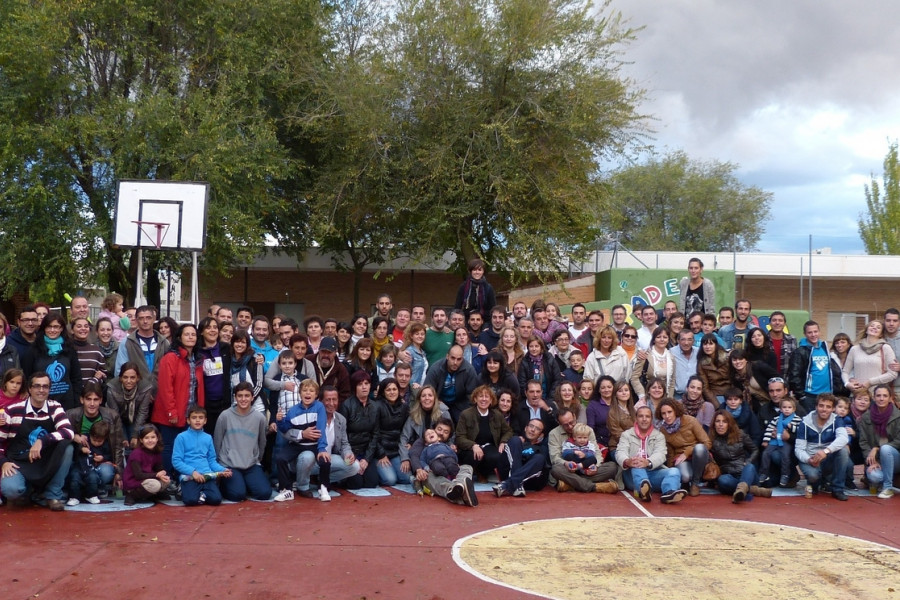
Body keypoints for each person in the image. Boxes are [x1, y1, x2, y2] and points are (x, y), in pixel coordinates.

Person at [0, 372, 75, 511]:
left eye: (45, 386)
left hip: (45, 461)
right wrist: (3, 462)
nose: (41, 390)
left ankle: (53, 495)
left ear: (49, 389)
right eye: (37, 386)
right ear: (29, 388)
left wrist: (42, 441)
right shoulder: (12, 410)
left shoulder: (55, 407)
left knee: (67, 447)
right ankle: (31, 492)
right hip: (19, 462)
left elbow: (69, 432)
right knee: (10, 490)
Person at [150, 323, 205, 480]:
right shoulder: (170, 358)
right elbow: (166, 388)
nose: (190, 337)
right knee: (169, 447)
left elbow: (198, 387)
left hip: (190, 412)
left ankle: (182, 478)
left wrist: (200, 412)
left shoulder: (198, 359)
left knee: (185, 448)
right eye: (186, 334)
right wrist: (171, 412)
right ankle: (168, 479)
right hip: (171, 413)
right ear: (179, 337)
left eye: (193, 334)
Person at [273, 379, 331, 502]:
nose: (307, 393)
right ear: (300, 393)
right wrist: (280, 420)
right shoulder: (293, 411)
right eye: (304, 390)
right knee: (280, 458)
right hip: (298, 444)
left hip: (315, 444)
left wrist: (322, 448)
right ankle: (286, 490)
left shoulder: (319, 407)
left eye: (311, 391)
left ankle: (324, 488)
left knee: (325, 460)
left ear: (316, 395)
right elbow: (285, 429)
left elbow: (321, 428)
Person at [615, 406, 686, 504]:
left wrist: (648, 462)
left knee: (674, 471)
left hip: (652, 472)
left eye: (647, 416)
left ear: (651, 419)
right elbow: (620, 452)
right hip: (632, 475)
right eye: (641, 416)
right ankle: (643, 490)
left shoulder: (659, 436)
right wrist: (627, 461)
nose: (644, 419)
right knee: (637, 464)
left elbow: (661, 454)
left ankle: (669, 493)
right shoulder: (626, 435)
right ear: (636, 418)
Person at [214, 382, 271, 502]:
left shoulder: (259, 418)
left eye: (246, 395)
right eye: (240, 396)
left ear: (252, 397)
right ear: (235, 397)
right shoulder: (225, 416)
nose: (243, 399)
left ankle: (245, 483)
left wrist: (257, 459)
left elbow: (262, 441)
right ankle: (230, 484)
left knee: (265, 493)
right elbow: (217, 441)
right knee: (237, 495)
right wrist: (219, 466)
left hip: (251, 464)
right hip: (230, 464)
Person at [65, 380, 125, 488]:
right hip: (79, 460)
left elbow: (118, 446)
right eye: (88, 399)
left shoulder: (112, 415)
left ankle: (92, 487)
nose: (92, 404)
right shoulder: (71, 415)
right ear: (82, 399)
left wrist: (118, 472)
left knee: (106, 473)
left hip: (102, 461)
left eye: (95, 399)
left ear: (101, 400)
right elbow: (61, 438)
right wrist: (74, 436)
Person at [409, 418, 477, 506]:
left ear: (449, 435)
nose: (441, 433)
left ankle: (460, 486)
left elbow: (454, 458)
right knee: (430, 477)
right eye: (439, 429)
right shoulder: (424, 440)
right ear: (434, 428)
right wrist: (419, 469)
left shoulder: (447, 445)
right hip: (432, 471)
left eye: (446, 432)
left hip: (450, 468)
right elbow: (414, 455)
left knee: (467, 467)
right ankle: (453, 490)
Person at [795, 394, 851, 501]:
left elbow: (844, 438)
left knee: (843, 450)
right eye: (821, 406)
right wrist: (808, 459)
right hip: (810, 458)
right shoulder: (805, 422)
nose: (824, 409)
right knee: (813, 477)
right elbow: (799, 449)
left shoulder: (837, 420)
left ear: (833, 409)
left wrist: (826, 451)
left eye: (828, 407)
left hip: (827, 457)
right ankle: (816, 482)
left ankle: (837, 489)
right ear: (816, 407)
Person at [172, 405, 231, 506]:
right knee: (190, 501)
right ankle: (183, 489)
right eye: (194, 418)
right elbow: (176, 461)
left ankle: (201, 494)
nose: (197, 420)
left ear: (205, 421)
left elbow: (211, 461)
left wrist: (222, 470)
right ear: (188, 420)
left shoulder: (208, 438)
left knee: (216, 500)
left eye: (201, 418)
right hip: (190, 476)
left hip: (207, 475)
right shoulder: (181, 437)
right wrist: (193, 472)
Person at [549, 408, 618, 493]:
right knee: (556, 469)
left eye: (571, 422)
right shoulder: (553, 434)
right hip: (568, 470)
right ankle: (594, 487)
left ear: (574, 416)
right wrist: (566, 463)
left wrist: (595, 466)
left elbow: (596, 452)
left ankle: (571, 484)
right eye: (565, 425)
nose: (570, 426)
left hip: (587, 468)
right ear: (559, 423)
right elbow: (555, 458)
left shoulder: (587, 430)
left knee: (612, 467)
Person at [21, 313, 82, 410]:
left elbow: (76, 378)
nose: (52, 330)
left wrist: (77, 402)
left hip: (67, 404)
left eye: (56, 327)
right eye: (49, 327)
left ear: (62, 328)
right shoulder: (33, 350)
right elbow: (27, 377)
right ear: (44, 328)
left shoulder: (69, 349)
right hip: (40, 404)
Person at [709, 410, 771, 502]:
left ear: (729, 424)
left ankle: (742, 490)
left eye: (724, 421)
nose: (720, 424)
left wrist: (749, 460)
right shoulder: (711, 439)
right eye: (718, 421)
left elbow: (755, 450)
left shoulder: (740, 434)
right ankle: (752, 490)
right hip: (729, 475)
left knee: (750, 467)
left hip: (745, 473)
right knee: (722, 480)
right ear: (714, 424)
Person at [455, 385, 513, 480]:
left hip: (489, 446)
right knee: (473, 456)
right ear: (475, 399)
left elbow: (508, 431)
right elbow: (459, 437)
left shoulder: (497, 415)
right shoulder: (466, 414)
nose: (484, 399)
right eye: (481, 396)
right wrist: (473, 445)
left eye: (487, 397)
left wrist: (503, 441)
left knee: (497, 456)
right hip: (470, 448)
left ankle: (483, 472)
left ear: (491, 400)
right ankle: (471, 473)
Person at [656, 397, 711, 497]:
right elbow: (670, 453)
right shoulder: (663, 430)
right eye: (664, 413)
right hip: (680, 459)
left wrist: (687, 452)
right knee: (685, 476)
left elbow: (707, 443)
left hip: (698, 457)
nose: (667, 416)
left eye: (669, 412)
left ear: (675, 411)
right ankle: (685, 483)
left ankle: (695, 483)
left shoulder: (691, 421)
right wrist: (671, 472)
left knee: (699, 448)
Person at [788, 320, 847, 413]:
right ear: (805, 334)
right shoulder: (800, 351)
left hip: (828, 395)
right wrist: (802, 396)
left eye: (815, 331)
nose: (813, 334)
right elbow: (794, 375)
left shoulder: (825, 348)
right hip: (810, 396)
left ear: (819, 332)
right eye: (809, 332)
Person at [339, 371, 381, 488]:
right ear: (354, 387)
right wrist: (353, 458)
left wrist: (366, 459)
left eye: (367, 383)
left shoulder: (375, 407)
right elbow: (342, 435)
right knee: (355, 484)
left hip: (366, 452)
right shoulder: (346, 405)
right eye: (360, 384)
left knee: (372, 483)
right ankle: (341, 477)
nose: (364, 387)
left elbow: (375, 435)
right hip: (349, 453)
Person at [857, 384, 900, 499]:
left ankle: (887, 487)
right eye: (878, 396)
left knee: (886, 448)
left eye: (885, 396)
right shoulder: (866, 417)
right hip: (877, 460)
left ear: (890, 398)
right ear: (874, 398)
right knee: (875, 477)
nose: (881, 398)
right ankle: (890, 480)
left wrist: (877, 448)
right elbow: (863, 442)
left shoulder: (898, 416)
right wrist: (872, 461)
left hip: (895, 457)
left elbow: (898, 441)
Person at [114, 305, 171, 391]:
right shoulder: (127, 343)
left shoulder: (164, 343)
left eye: (148, 318)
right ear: (137, 320)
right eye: (141, 318)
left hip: (161, 394)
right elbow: (120, 372)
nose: (145, 321)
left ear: (154, 318)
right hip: (136, 395)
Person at [494, 418, 549, 497]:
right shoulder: (516, 442)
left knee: (540, 458)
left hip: (530, 480)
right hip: (509, 473)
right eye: (531, 426)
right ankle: (517, 485)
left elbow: (541, 468)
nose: (533, 430)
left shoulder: (542, 448)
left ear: (541, 435)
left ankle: (507, 485)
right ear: (525, 428)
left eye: (537, 429)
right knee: (515, 440)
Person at [424, 344, 479, 423]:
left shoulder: (469, 370)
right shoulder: (436, 368)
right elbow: (427, 389)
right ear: (447, 356)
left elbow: (472, 395)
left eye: (459, 359)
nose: (455, 362)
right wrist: (436, 401)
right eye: (452, 358)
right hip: (438, 402)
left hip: (460, 403)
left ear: (462, 358)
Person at [66, 419, 115, 506]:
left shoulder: (106, 445)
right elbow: (75, 448)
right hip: (79, 465)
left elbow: (109, 455)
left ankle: (92, 495)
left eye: (99, 441)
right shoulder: (84, 439)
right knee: (75, 478)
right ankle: (74, 497)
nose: (96, 443)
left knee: (93, 478)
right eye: (94, 440)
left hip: (92, 467)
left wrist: (103, 458)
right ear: (90, 435)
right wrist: (81, 449)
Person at [842, 319, 898, 395]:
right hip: (858, 395)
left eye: (878, 327)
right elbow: (845, 371)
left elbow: (892, 374)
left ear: (881, 334)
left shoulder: (886, 348)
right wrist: (847, 384)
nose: (874, 328)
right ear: (866, 330)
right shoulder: (854, 349)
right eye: (872, 326)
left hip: (878, 395)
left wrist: (870, 382)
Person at [106, 362, 155, 447]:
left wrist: (135, 435)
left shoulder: (145, 387)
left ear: (138, 378)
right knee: (120, 442)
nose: (129, 381)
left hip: (136, 419)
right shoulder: (112, 387)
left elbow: (143, 412)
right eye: (125, 377)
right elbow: (114, 414)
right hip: (118, 419)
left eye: (132, 377)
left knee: (135, 443)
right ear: (120, 378)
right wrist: (122, 436)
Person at [373, 378, 411, 486]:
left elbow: (407, 429)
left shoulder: (404, 407)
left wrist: (409, 444)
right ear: (383, 392)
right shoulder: (376, 406)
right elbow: (373, 433)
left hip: (396, 450)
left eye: (394, 389)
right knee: (390, 480)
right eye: (388, 390)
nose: (392, 392)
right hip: (380, 451)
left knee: (406, 478)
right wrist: (381, 454)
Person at [197, 317, 232, 435]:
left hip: (225, 402)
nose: (212, 330)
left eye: (215, 327)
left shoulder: (226, 349)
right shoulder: (197, 352)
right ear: (201, 331)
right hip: (205, 403)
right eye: (208, 328)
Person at [122, 424, 171, 505]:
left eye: (153, 437)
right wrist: (156, 475)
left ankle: (152, 494)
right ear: (141, 440)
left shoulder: (156, 452)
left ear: (157, 438)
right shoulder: (137, 453)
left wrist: (162, 474)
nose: (150, 440)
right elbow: (138, 475)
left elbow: (159, 468)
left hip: (148, 478)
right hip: (134, 482)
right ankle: (131, 495)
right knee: (155, 485)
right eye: (146, 438)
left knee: (167, 481)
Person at [759, 396, 802, 488]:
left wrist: (791, 427)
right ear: (781, 409)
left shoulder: (797, 419)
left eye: (789, 407)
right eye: (784, 407)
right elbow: (769, 429)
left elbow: (800, 430)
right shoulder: (776, 419)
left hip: (786, 442)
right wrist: (766, 440)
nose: (787, 410)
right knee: (766, 453)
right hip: (774, 441)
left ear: (794, 409)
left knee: (785, 456)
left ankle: (785, 475)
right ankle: (763, 473)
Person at [631, 327, 674, 402]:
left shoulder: (671, 358)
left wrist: (669, 399)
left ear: (668, 340)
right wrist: (642, 395)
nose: (662, 339)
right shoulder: (645, 355)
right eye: (658, 337)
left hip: (665, 399)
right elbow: (634, 378)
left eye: (665, 337)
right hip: (647, 397)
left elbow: (672, 381)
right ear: (654, 339)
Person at [229, 330, 266, 413]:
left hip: (256, 408)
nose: (239, 345)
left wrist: (247, 401)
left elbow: (259, 385)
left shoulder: (256, 359)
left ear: (247, 344)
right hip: (236, 407)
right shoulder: (229, 360)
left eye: (243, 342)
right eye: (237, 342)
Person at [517, 336, 562, 401]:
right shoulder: (524, 362)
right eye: (531, 346)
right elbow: (522, 383)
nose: (534, 349)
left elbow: (557, 379)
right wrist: (531, 399)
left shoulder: (549, 359)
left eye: (536, 346)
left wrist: (550, 399)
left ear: (541, 347)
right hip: (530, 400)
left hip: (549, 398)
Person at [454, 258, 497, 324]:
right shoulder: (463, 287)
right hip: (467, 321)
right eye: (474, 270)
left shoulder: (488, 288)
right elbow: (457, 307)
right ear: (471, 271)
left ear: (483, 272)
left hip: (485, 322)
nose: (477, 272)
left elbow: (493, 308)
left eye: (479, 270)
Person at [70, 317, 107, 386]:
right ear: (72, 330)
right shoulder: (67, 349)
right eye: (79, 326)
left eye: (86, 326)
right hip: (72, 393)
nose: (83, 328)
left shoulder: (96, 350)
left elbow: (103, 374)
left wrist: (95, 381)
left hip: (91, 393)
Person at [696, 333, 729, 408]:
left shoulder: (726, 358)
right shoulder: (701, 364)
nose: (708, 347)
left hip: (730, 392)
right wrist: (717, 406)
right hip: (715, 394)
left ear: (716, 345)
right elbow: (705, 387)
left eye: (711, 344)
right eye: (705, 344)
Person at [586, 376, 615, 446]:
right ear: (598, 390)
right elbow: (590, 428)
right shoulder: (592, 405)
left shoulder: (619, 402)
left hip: (619, 441)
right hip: (601, 443)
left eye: (609, 387)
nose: (606, 390)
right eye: (603, 388)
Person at [671, 329, 699, 400]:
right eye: (683, 339)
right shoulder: (671, 352)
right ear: (678, 341)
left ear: (693, 341)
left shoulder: (699, 352)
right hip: (677, 395)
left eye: (689, 340)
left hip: (695, 395)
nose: (686, 343)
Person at [767, 311, 797, 376]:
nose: (777, 323)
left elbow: (794, 363)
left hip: (786, 381)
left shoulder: (791, 339)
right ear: (770, 323)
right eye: (774, 320)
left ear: (784, 324)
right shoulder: (763, 340)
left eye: (780, 320)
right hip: (767, 381)